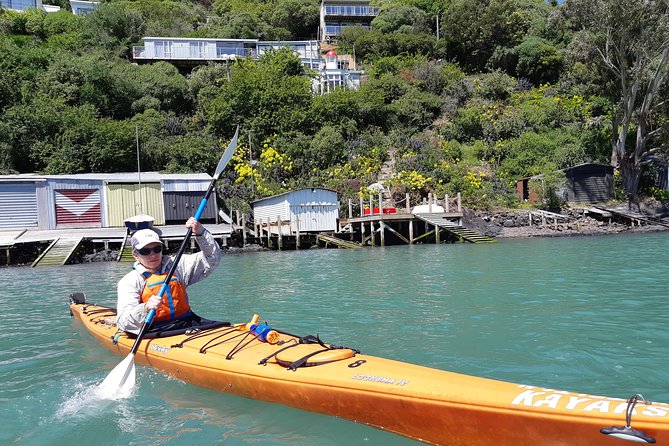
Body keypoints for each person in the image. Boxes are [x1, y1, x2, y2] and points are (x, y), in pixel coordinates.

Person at [116, 217, 223, 334]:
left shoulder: (177, 265)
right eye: (145, 251)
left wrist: (200, 232)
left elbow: (213, 258)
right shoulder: (129, 281)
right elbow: (123, 321)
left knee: (223, 325)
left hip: (187, 321)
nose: (153, 255)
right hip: (154, 327)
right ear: (135, 255)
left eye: (157, 249)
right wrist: (145, 307)